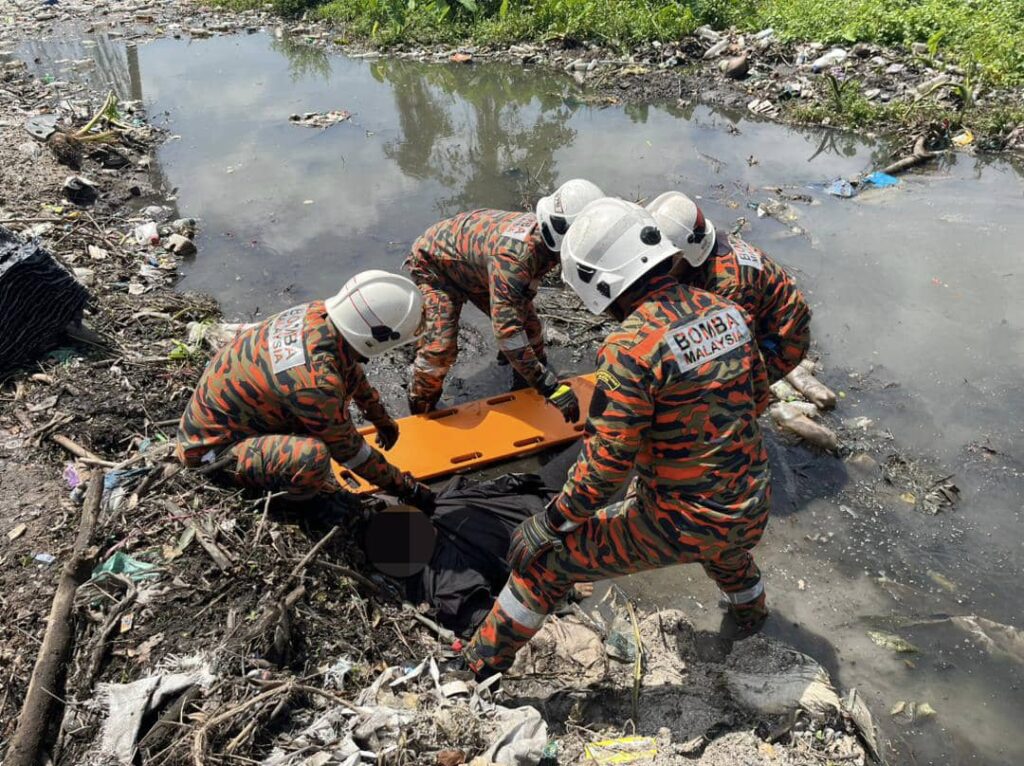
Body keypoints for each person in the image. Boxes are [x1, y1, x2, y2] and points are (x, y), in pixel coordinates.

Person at [461, 198, 772, 677]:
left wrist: (549, 524)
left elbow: (604, 468)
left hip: (685, 520)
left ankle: (477, 666)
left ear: (599, 284)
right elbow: (756, 401)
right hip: (751, 504)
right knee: (726, 550)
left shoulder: (630, 347)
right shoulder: (728, 311)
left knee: (544, 566)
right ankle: (753, 618)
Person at [175, 270, 435, 511]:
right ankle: (299, 506)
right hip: (213, 454)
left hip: (229, 421)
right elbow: (352, 454)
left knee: (319, 424)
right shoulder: (316, 383)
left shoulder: (317, 314)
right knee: (313, 457)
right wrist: (407, 489)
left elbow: (349, 367)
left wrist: (379, 417)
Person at [404, 178, 605, 419]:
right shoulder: (514, 260)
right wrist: (548, 385)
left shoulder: (546, 240)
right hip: (436, 266)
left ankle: (525, 385)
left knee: (531, 331)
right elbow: (507, 332)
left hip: (477, 267)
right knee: (441, 348)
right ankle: (420, 405)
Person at [647, 191, 811, 384]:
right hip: (757, 317)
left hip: (781, 342)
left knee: (714, 391)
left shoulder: (729, 285)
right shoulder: (707, 249)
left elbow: (727, 352)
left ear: (686, 253)